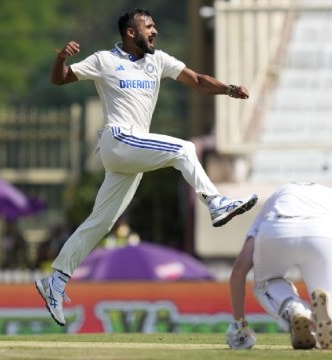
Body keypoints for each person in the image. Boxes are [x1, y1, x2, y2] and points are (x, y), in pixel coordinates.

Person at [35, 8, 259, 327]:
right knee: (184, 149)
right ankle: (216, 202)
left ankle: (55, 280)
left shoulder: (158, 60)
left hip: (132, 154)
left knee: (100, 223)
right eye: (148, 26)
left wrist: (228, 88)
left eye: (155, 25)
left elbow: (195, 80)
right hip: (118, 140)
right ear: (130, 32)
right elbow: (60, 79)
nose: (154, 31)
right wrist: (61, 59)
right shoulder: (103, 60)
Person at [226, 182, 332, 350]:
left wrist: (239, 325)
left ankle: (294, 308)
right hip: (321, 232)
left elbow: (239, 271)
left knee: (266, 284)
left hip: (278, 229)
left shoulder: (278, 196)